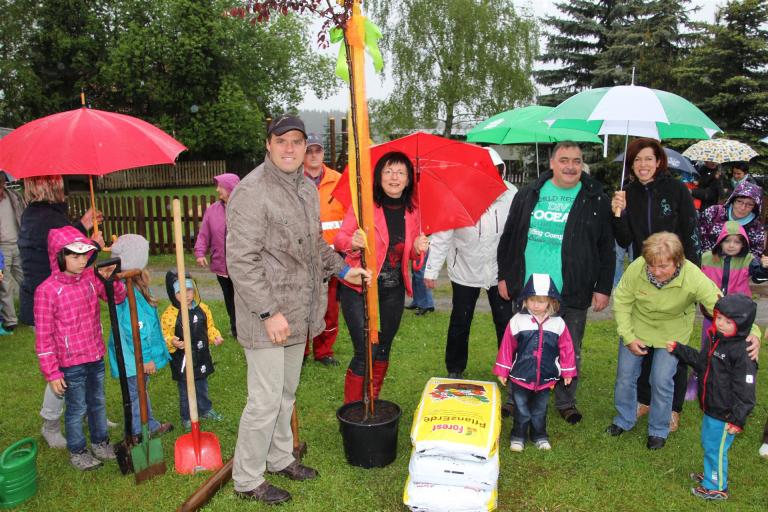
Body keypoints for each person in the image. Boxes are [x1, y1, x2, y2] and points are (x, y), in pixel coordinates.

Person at [226, 115, 370, 505]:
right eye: (282, 141)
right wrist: (268, 312)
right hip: (267, 318)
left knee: (286, 393)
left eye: (297, 142)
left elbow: (314, 247)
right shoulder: (251, 191)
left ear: (306, 147)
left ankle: (279, 457)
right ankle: (247, 478)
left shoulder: (307, 190)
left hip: (299, 312)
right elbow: (241, 261)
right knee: (264, 400)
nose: (290, 149)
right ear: (268, 145)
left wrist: (343, 269)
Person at [606, 232, 759, 450]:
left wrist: (752, 331)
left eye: (663, 267)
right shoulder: (638, 267)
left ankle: (658, 429)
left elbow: (721, 305)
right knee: (625, 376)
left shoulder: (693, 276)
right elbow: (621, 300)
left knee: (661, 379)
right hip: (638, 325)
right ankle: (624, 419)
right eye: (652, 266)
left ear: (677, 261)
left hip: (673, 330)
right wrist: (628, 336)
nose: (656, 271)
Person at [497, 141, 614, 425]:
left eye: (576, 160)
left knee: (568, 346)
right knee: (522, 344)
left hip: (572, 288)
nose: (570, 166)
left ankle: (566, 401)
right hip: (529, 289)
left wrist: (602, 287)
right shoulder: (528, 194)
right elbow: (510, 237)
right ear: (552, 163)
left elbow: (606, 246)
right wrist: (504, 276)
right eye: (564, 160)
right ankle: (515, 398)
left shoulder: (595, 197)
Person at [610, 137, 701, 431]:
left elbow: (691, 230)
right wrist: (618, 213)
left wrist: (692, 275)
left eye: (648, 159)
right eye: (637, 161)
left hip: (677, 272)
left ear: (659, 161)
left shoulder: (675, 189)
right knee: (644, 338)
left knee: (673, 345)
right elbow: (625, 239)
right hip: (644, 275)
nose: (642, 165)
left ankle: (673, 407)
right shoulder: (629, 193)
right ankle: (645, 399)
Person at [335, 151, 429, 404]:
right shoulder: (364, 206)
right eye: (388, 171)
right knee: (365, 351)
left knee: (384, 346)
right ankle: (354, 410)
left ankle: (371, 401)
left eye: (400, 172)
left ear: (409, 180)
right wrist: (352, 242)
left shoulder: (413, 211)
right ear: (378, 177)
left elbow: (407, 254)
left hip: (393, 290)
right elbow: (340, 239)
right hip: (360, 288)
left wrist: (418, 249)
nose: (394, 177)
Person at [18, 175, 103, 449]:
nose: (64, 189)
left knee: (83, 368)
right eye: (59, 184)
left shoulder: (45, 214)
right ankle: (51, 423)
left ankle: (92, 414)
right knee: (61, 371)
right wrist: (94, 244)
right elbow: (63, 253)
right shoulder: (45, 218)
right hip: (49, 307)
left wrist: (82, 226)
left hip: (63, 302)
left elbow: (63, 245)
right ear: (50, 187)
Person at [34, 226, 122, 470]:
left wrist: (112, 279)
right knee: (76, 408)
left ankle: (100, 442)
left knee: (97, 402)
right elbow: (43, 338)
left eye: (85, 255)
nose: (82, 260)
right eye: (75, 256)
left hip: (94, 355)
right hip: (70, 362)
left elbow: (118, 297)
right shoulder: (47, 291)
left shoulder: (91, 279)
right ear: (59, 257)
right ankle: (77, 450)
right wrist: (52, 372)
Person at [424, 147, 516, 379]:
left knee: (505, 321)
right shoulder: (455, 195)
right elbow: (442, 234)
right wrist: (432, 270)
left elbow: (519, 232)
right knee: (461, 320)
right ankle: (455, 368)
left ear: (501, 171)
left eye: (495, 170)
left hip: (499, 270)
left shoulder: (512, 194)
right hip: (464, 268)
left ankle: (511, 368)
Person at [667, 293, 757, 501]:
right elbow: (701, 362)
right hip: (711, 407)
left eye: (728, 321)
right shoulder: (716, 340)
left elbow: (746, 391)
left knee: (716, 449)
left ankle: (717, 487)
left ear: (742, 325)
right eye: (719, 318)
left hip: (726, 414)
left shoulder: (743, 353)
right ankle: (710, 476)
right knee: (709, 444)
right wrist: (679, 350)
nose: (722, 324)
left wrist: (738, 418)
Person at [493, 274, 576, 452]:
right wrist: (502, 370)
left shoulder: (558, 324)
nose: (535, 305)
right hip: (520, 375)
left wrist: (568, 372)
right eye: (532, 300)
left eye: (541, 301)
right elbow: (507, 346)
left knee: (540, 410)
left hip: (546, 377)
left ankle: (539, 435)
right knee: (521, 410)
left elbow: (567, 348)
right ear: (525, 299)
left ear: (551, 301)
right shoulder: (517, 321)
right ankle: (518, 436)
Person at [109, 234, 173, 441]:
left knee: (138, 391)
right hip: (132, 357)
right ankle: (137, 431)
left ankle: (146, 424)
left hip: (132, 357)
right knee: (135, 394)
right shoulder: (129, 291)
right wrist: (145, 358)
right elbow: (136, 328)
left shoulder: (133, 285)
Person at [302, 133, 346, 366]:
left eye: (317, 150)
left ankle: (324, 351)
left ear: (323, 153)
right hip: (302, 256)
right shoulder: (292, 180)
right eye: (309, 151)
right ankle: (300, 351)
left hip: (331, 258)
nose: (313, 155)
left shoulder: (339, 180)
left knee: (329, 308)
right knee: (302, 306)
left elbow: (350, 217)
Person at [161, 272, 224, 431]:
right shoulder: (170, 315)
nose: (186, 295)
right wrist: (172, 341)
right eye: (180, 292)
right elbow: (164, 334)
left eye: (189, 290)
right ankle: (187, 416)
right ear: (172, 293)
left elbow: (209, 327)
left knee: (202, 384)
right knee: (185, 389)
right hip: (182, 360)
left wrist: (215, 336)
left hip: (201, 356)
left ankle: (205, 409)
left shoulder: (202, 309)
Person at [194, 173, 241, 339]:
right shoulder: (212, 210)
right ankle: (236, 329)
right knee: (230, 299)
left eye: (220, 186)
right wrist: (200, 253)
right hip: (221, 266)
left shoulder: (246, 208)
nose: (217, 189)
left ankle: (249, 329)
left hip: (243, 266)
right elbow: (204, 234)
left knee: (245, 299)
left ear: (230, 188)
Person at [699, 180, 765, 259]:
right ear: (732, 200)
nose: (742, 207)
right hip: (706, 265)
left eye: (750, 204)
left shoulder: (756, 228)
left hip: (736, 270)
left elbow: (754, 257)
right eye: (739, 201)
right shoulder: (713, 212)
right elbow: (697, 237)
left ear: (755, 207)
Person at [0, 172, 26, 331]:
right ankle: (10, 320)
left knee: (25, 279)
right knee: (5, 284)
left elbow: (22, 216)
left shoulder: (14, 197)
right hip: (1, 248)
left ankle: (30, 313)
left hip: (18, 243)